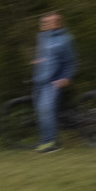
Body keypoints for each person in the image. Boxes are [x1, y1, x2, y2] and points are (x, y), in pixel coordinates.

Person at [31, 12, 77, 153]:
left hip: (53, 81)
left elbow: (71, 61)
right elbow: (44, 56)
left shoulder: (65, 39)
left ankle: (52, 144)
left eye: (48, 22)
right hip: (38, 80)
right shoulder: (42, 37)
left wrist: (66, 78)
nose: (44, 24)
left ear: (58, 23)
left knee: (46, 110)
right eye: (43, 22)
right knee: (41, 112)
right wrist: (38, 62)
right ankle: (45, 141)